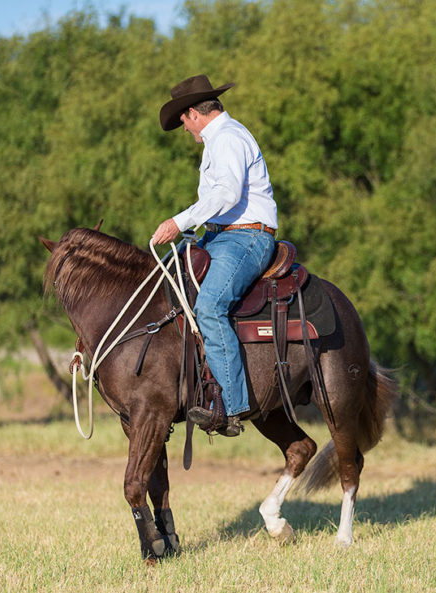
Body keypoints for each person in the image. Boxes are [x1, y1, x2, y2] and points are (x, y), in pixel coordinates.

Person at [152, 74, 277, 436]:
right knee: (167, 284)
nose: (184, 129)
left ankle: (231, 406)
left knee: (209, 306)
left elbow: (225, 195)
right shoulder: (218, 141)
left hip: (246, 239)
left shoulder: (228, 139)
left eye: (183, 122)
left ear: (193, 113)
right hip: (220, 237)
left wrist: (178, 222)